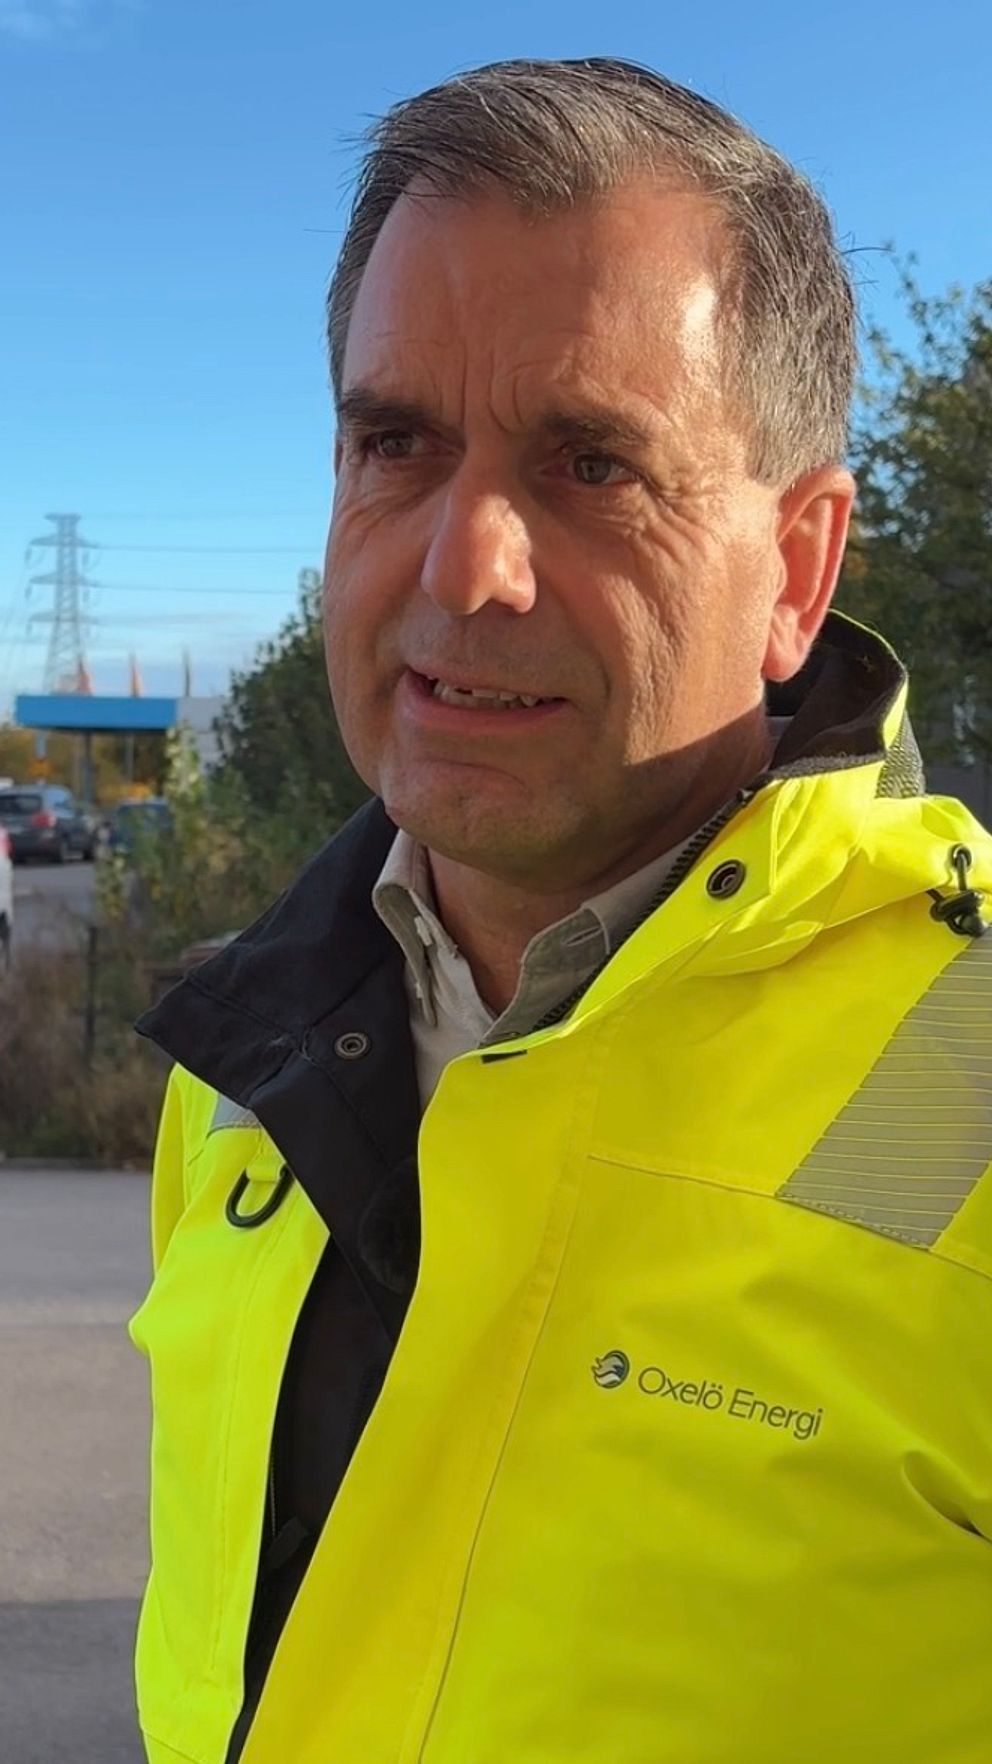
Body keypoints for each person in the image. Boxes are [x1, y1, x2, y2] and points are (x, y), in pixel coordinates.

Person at [130, 58, 992, 1764]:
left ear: (798, 571)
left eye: (593, 464)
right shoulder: (240, 1056)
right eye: (396, 444)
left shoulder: (958, 1070)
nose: (465, 568)